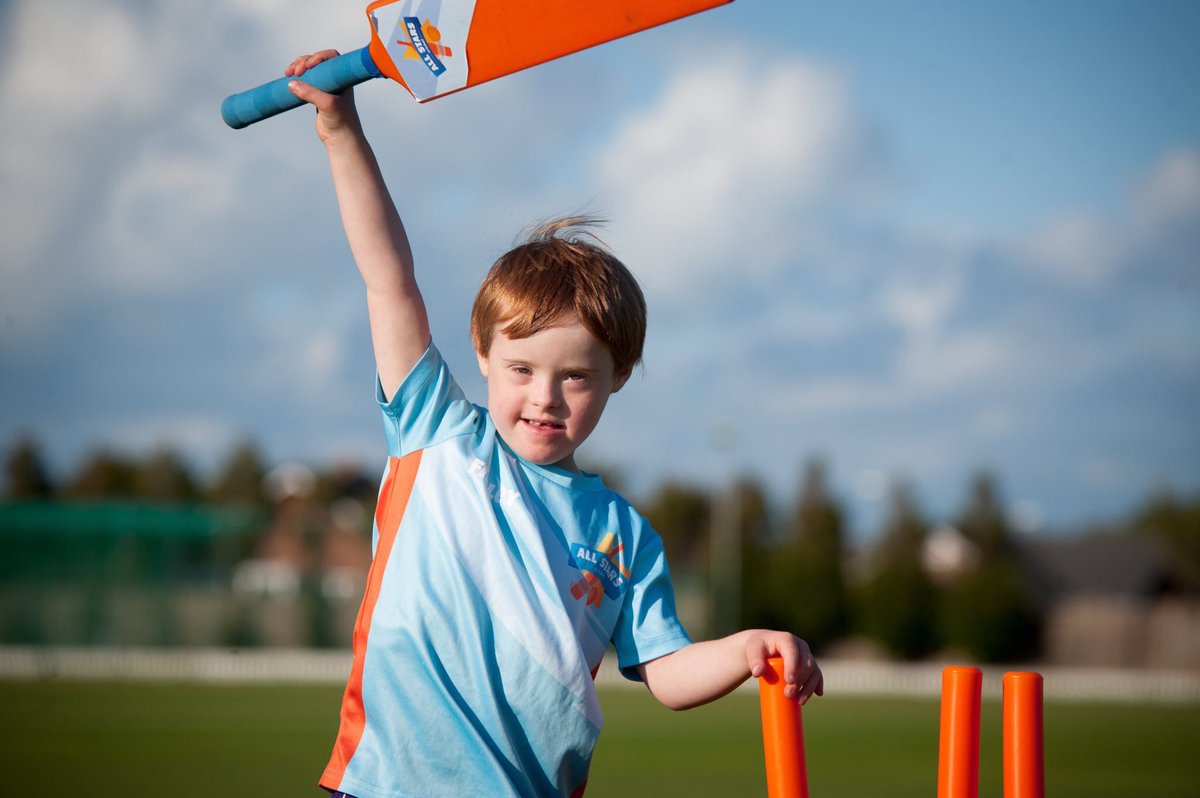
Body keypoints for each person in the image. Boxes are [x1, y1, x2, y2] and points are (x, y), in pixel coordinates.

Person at [285, 49, 824, 798]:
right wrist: (341, 131)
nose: (546, 398)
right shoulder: (436, 434)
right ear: (481, 356)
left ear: (618, 379)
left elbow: (665, 673)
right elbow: (389, 280)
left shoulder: (623, 535)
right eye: (522, 371)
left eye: (576, 376)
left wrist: (747, 649)